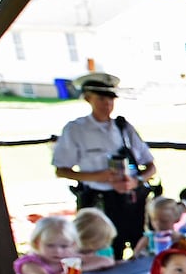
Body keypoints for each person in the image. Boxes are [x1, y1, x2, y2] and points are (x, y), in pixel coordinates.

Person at [52, 72, 156, 258]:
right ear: (88, 98)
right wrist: (96, 176)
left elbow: (150, 166)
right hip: (98, 202)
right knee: (104, 253)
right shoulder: (76, 129)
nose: (107, 103)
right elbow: (61, 170)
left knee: (141, 251)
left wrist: (136, 181)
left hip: (131, 201)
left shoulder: (123, 128)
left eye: (110, 98)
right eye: (101, 98)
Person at [13, 216, 81, 274]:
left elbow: (92, 262)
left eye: (64, 246)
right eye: (50, 245)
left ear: (73, 244)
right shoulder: (30, 265)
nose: (58, 251)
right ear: (37, 243)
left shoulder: (69, 258)